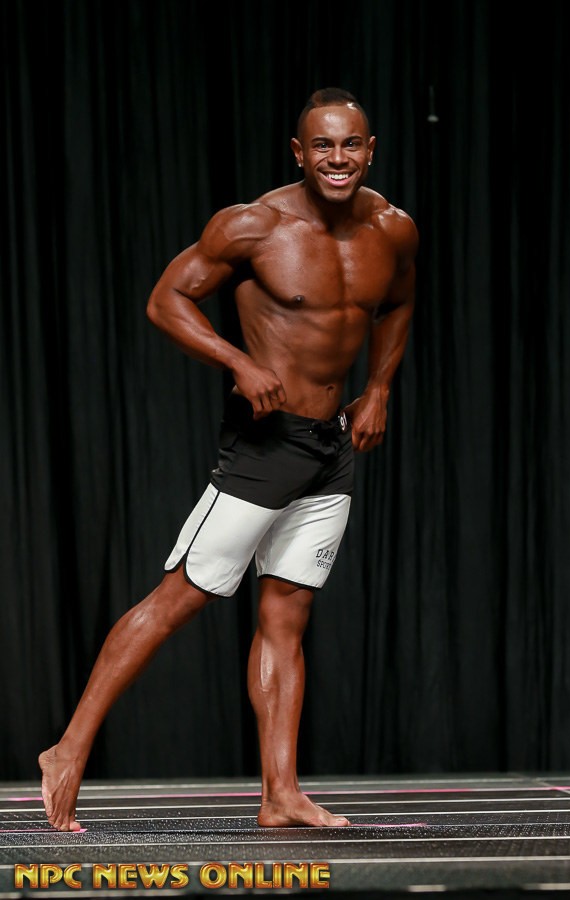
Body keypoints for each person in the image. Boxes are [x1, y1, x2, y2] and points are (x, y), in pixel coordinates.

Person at [38, 87, 418, 832]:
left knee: (287, 614)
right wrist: (237, 362)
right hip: (263, 447)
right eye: (322, 146)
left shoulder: (392, 229)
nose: (337, 158)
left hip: (332, 447)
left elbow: (399, 302)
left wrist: (378, 386)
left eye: (351, 144)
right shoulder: (254, 226)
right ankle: (69, 748)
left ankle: (280, 795)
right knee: (181, 596)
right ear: (299, 152)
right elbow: (166, 300)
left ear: (370, 150)